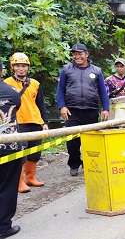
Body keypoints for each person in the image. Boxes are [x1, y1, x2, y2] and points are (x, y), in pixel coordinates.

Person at [56, 43, 110, 176]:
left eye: (80, 53)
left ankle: (89, 163)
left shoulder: (96, 71)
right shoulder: (66, 69)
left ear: (86, 54)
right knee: (72, 140)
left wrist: (105, 108)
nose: (77, 56)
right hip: (71, 110)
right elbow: (60, 89)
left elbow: (103, 92)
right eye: (75, 54)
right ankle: (74, 164)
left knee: (90, 139)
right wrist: (62, 106)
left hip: (90, 110)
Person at [4, 52, 49, 193]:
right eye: (17, 66)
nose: (21, 69)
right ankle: (19, 182)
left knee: (35, 153)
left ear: (28, 67)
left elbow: (41, 104)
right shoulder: (6, 84)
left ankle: (30, 177)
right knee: (20, 154)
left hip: (35, 122)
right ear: (12, 67)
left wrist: (45, 122)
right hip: (17, 123)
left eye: (24, 66)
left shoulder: (35, 84)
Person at [0, 78, 24, 239]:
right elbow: (17, 107)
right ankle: (3, 227)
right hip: (9, 145)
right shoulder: (12, 92)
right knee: (7, 186)